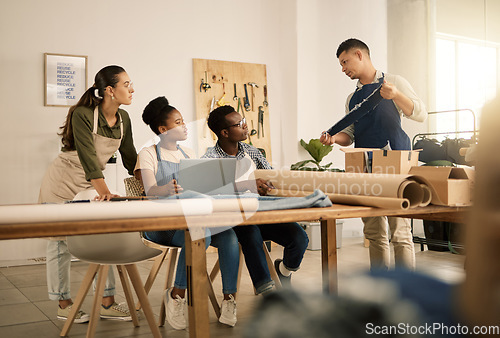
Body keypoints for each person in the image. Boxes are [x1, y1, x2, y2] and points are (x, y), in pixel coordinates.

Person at [38, 65, 137, 323]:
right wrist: (105, 193)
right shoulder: (82, 114)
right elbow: (87, 156)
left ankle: (106, 301)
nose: (132, 89)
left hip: (90, 182)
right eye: (126, 84)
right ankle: (63, 302)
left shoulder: (124, 118)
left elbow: (130, 157)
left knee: (103, 235)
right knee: (59, 242)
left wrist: (150, 184)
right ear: (109, 90)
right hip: (63, 180)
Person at [320, 38, 428, 271]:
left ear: (359, 55)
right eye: (340, 64)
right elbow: (348, 134)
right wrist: (333, 138)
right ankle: (382, 286)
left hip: (395, 165)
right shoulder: (353, 98)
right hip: (366, 168)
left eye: (345, 61)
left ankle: (405, 288)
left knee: (399, 231)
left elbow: (420, 114)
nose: (343, 69)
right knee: (374, 233)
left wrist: (396, 94)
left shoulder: (395, 82)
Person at [135, 96, 240, 329]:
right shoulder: (148, 153)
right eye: (178, 122)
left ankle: (229, 299)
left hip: (192, 218)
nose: (184, 126)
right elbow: (150, 191)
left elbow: (203, 188)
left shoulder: (189, 153)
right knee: (199, 234)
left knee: (230, 235)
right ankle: (176, 295)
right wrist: (165, 188)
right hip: (161, 225)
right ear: (163, 129)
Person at [203, 105, 309, 294]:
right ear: (225, 132)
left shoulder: (252, 152)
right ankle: (267, 292)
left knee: (299, 238)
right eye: (239, 124)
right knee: (251, 234)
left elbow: (271, 177)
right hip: (234, 220)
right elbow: (209, 193)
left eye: (243, 121)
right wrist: (247, 185)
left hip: (262, 214)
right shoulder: (210, 159)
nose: (245, 126)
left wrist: (271, 186)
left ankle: (284, 271)